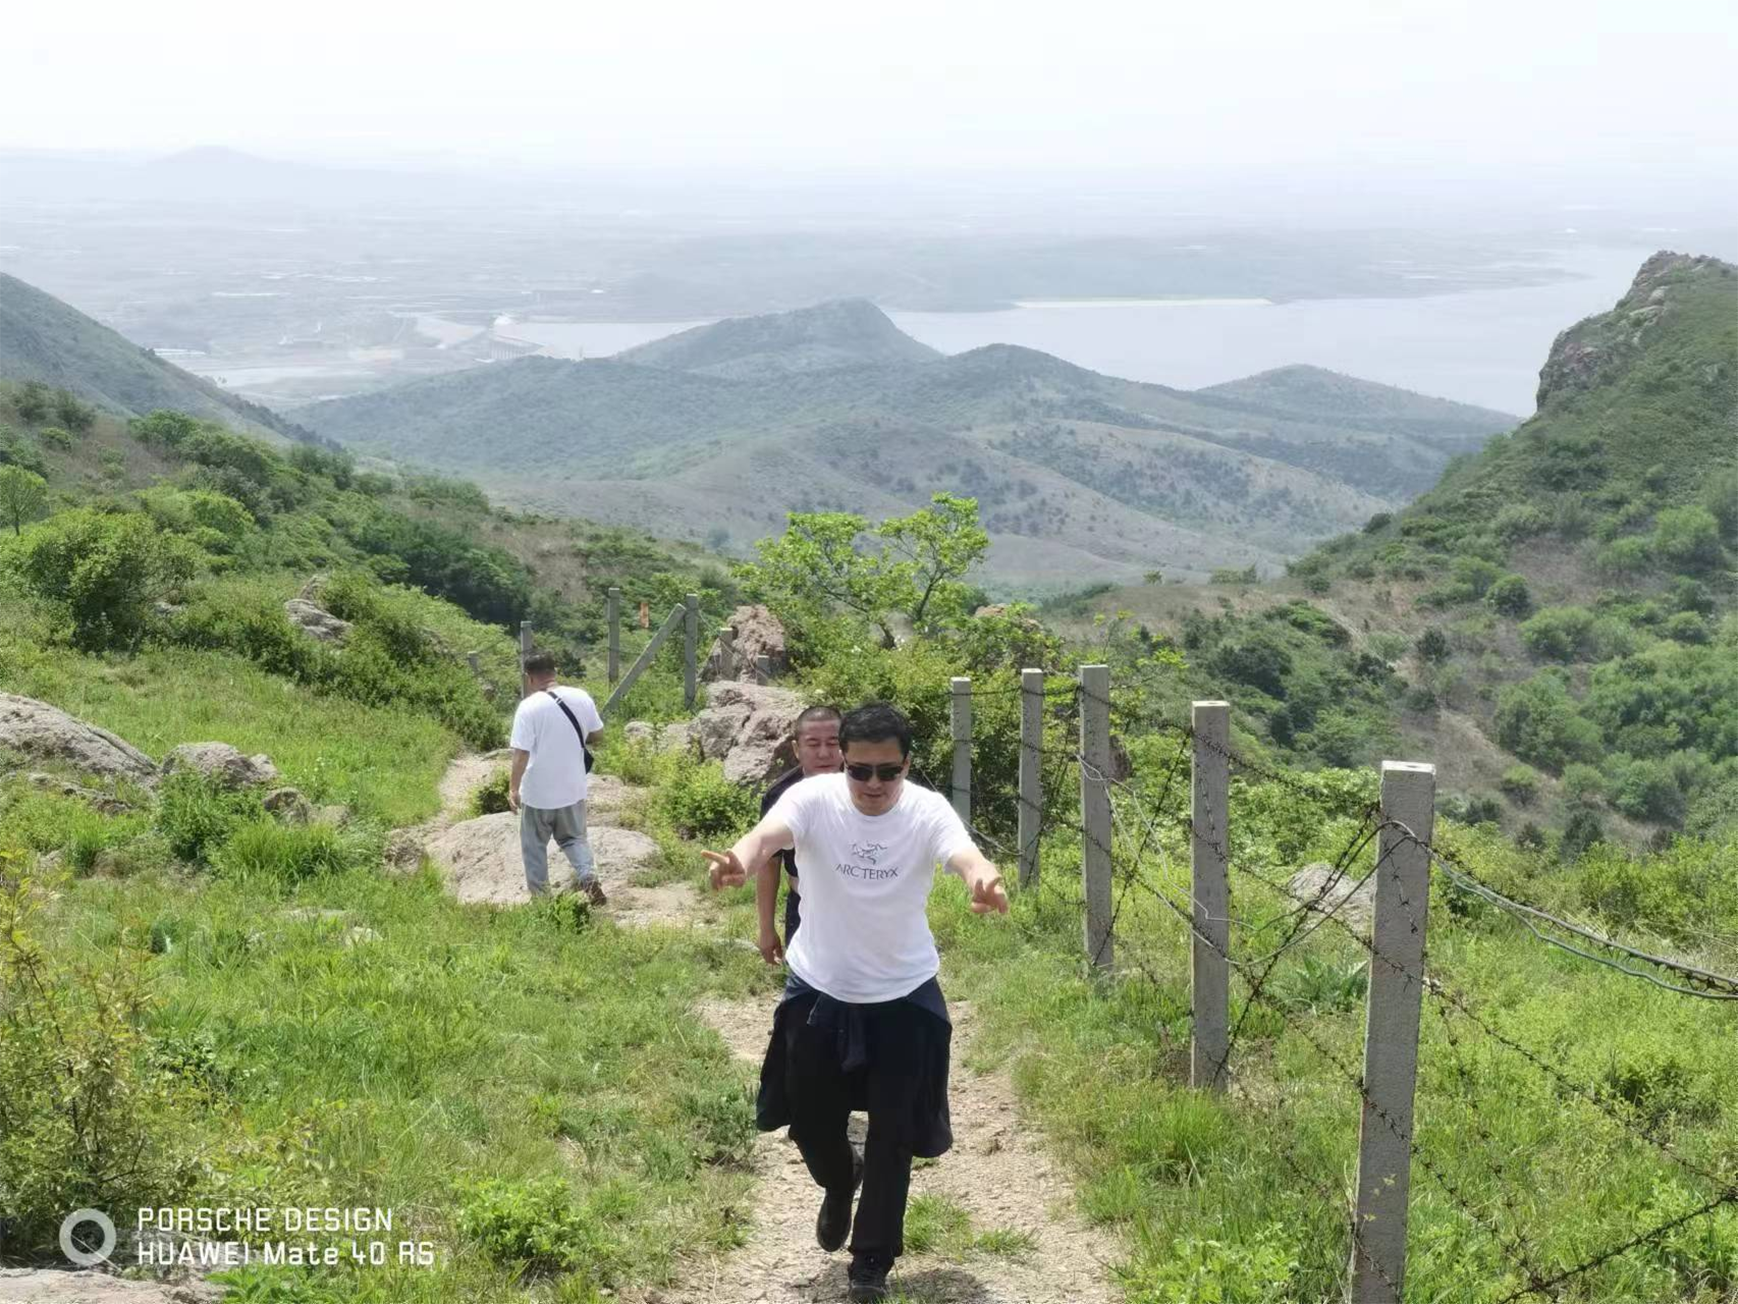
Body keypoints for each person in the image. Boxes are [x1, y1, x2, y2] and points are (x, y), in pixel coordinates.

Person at [703, 702, 1008, 1303]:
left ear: (907, 765)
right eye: (860, 770)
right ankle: (840, 1181)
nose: (873, 784)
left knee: (894, 1134)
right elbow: (766, 838)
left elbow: (964, 854)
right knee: (811, 1123)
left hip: (903, 996)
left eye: (887, 771)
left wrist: (983, 879)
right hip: (819, 990)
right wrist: (740, 859)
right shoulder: (813, 799)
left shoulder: (925, 810)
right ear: (842, 760)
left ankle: (871, 1262)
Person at [508, 652, 607, 905]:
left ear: (529, 678)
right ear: (555, 671)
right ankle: (587, 876)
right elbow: (598, 735)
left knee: (534, 848)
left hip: (538, 795)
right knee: (574, 839)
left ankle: (542, 903)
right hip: (572, 789)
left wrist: (513, 788)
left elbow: (521, 753)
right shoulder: (581, 697)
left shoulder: (528, 707)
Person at [754, 705, 844, 950]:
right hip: (804, 906)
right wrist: (766, 929)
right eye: (813, 744)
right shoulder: (780, 794)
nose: (824, 753)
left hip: (860, 910)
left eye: (833, 743)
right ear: (796, 749)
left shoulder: (867, 786)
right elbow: (768, 863)